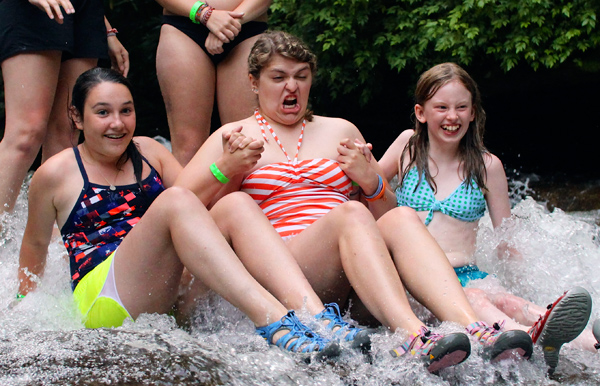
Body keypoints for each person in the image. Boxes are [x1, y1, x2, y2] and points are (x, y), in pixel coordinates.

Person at [176, 30, 536, 373]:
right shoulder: (233, 135)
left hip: (354, 278)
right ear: (254, 83)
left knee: (402, 218)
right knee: (348, 213)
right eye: (278, 77)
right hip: (283, 268)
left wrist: (372, 182)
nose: (292, 86)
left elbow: (383, 216)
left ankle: (474, 328)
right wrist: (226, 169)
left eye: (301, 76)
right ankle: (412, 335)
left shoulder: (341, 130)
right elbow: (180, 209)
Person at [16, 67, 343, 359]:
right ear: (77, 117)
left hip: (167, 290)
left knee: (234, 205)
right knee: (174, 200)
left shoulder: (150, 152)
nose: (117, 123)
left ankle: (315, 314)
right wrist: (24, 310)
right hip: (106, 298)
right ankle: (273, 318)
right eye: (103, 112)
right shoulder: (54, 174)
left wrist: (231, 170)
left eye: (125, 111)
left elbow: (198, 215)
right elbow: (34, 246)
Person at [378, 62, 593, 374]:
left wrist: (523, 277)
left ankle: (585, 340)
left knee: (502, 298)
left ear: (473, 113)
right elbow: (371, 186)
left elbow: (506, 236)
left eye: (461, 107)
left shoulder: (487, 166)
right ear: (421, 112)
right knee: (476, 297)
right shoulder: (407, 146)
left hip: (467, 273)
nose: (452, 116)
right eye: (441, 107)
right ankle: (520, 337)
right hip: (418, 282)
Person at [0, 0, 130, 214]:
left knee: (68, 132)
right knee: (25, 134)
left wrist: (106, 29)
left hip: (84, 10)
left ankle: (51, 244)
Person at [155, 0, 271, 166]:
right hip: (183, 28)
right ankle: (185, 192)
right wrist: (204, 14)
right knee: (188, 148)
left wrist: (230, 24)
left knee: (247, 142)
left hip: (247, 26)